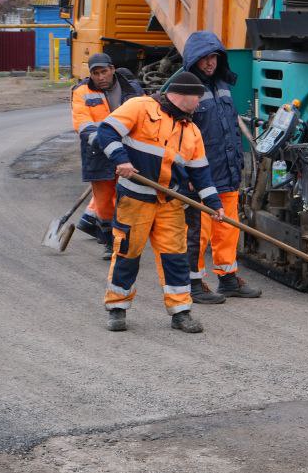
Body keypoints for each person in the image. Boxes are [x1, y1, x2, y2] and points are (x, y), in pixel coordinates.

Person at [94, 71, 224, 334]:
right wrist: (121, 159)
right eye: (197, 99)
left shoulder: (192, 131)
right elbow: (106, 132)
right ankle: (117, 307)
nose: (199, 105)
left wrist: (214, 203)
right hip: (135, 199)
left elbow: (201, 173)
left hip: (170, 203)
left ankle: (181, 312)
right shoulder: (140, 107)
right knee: (127, 253)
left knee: (176, 258)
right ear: (182, 96)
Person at [172, 31, 262, 304]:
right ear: (193, 60)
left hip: (228, 172)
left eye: (214, 57)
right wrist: (185, 174)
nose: (210, 63)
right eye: (204, 58)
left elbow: (230, 128)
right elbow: (175, 136)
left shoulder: (222, 84)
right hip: (201, 175)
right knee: (199, 232)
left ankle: (228, 278)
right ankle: (194, 283)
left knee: (228, 228)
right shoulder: (184, 89)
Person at [70, 52, 143, 260]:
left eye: (104, 71)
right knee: (103, 203)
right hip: (98, 153)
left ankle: (122, 240)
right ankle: (110, 243)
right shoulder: (81, 91)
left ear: (112, 69)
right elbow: (82, 124)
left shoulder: (132, 89)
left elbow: (144, 118)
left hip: (129, 153)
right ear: (90, 75)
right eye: (96, 73)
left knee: (126, 199)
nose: (101, 77)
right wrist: (107, 144)